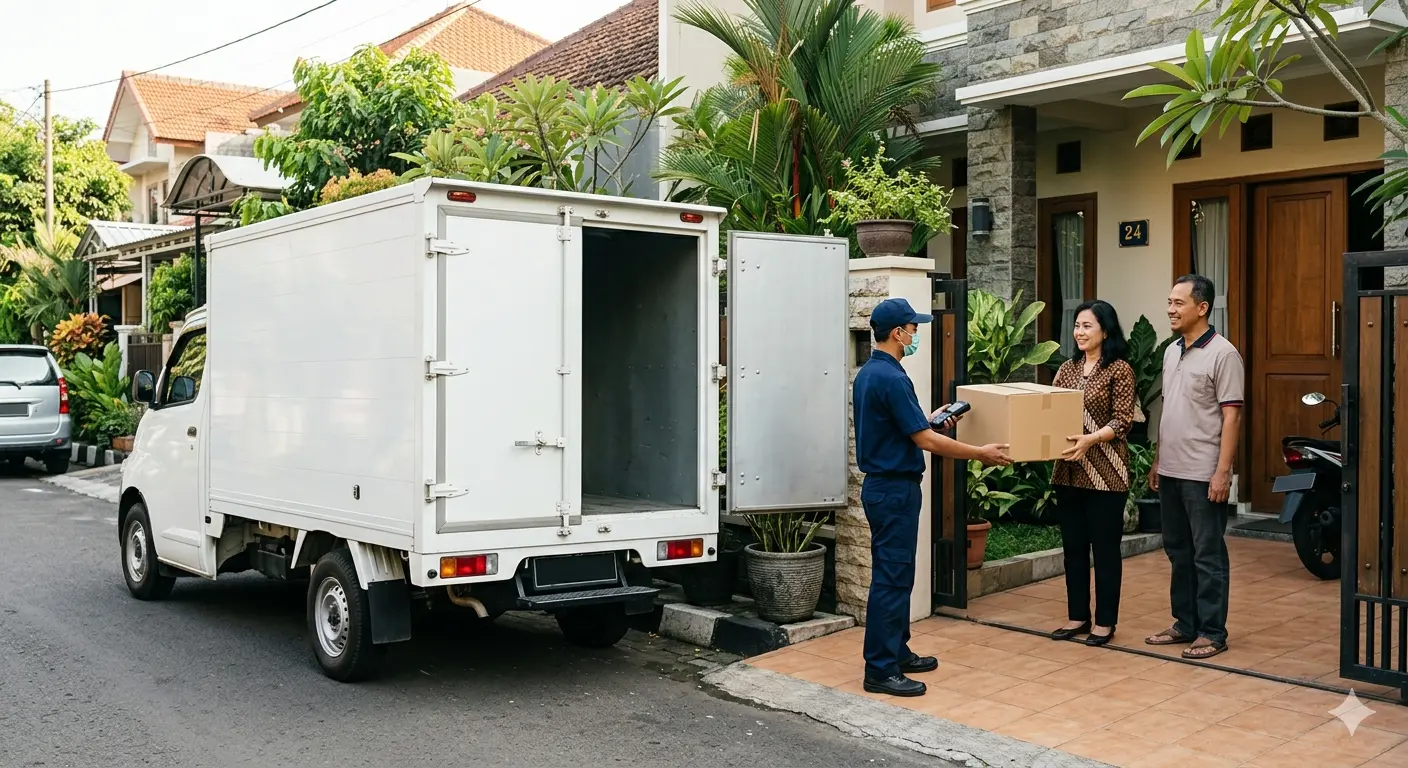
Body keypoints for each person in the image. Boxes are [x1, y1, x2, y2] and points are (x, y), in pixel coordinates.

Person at [854, 297, 1012, 697]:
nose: (916, 334)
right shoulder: (892, 378)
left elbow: (906, 427)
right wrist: (981, 452)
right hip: (893, 489)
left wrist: (931, 417)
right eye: (913, 327)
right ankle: (880, 669)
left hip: (885, 487)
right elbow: (923, 440)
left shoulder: (873, 373)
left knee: (897, 574)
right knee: (892, 578)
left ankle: (896, 650)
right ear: (897, 333)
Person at [1144, 275, 1244, 660]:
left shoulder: (1224, 354)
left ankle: (1212, 632)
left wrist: (1223, 472)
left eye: (1178, 303)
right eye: (1169, 302)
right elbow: (1169, 410)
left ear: (1202, 308)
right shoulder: (1172, 351)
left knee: (1207, 554)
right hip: (1170, 469)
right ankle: (1185, 624)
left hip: (1203, 472)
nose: (1170, 309)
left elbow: (1231, 418)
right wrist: (1157, 460)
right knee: (1178, 550)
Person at [1048, 300, 1137, 647]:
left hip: (1107, 473)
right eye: (1077, 326)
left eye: (1087, 326)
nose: (1079, 332)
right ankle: (1077, 617)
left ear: (1105, 331)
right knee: (1072, 548)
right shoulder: (1066, 369)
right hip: (1067, 471)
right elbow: (1052, 410)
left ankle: (1104, 622)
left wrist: (1091, 439)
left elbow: (1123, 420)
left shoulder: (1120, 370)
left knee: (1104, 550)